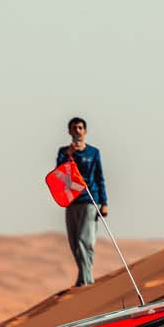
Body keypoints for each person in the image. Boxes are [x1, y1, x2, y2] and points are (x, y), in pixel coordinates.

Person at [55, 116, 108, 287]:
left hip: (89, 199)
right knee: (74, 241)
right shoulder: (64, 152)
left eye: (80, 128)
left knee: (84, 240)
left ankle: (87, 279)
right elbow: (59, 174)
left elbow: (100, 178)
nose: (77, 131)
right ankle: (83, 275)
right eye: (74, 128)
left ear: (85, 131)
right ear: (69, 131)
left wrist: (104, 202)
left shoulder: (93, 153)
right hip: (71, 201)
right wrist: (68, 156)